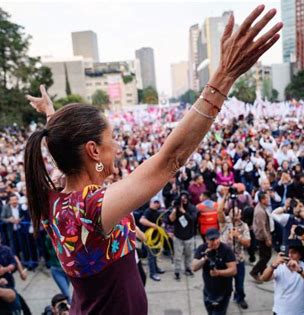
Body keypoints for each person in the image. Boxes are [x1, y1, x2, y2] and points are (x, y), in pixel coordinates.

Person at [24, 6, 282, 314]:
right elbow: (169, 159)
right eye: (111, 141)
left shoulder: (55, 193)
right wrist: (224, 77)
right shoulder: (93, 206)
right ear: (92, 151)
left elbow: (64, 147)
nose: (117, 147)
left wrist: (53, 117)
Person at [260, 240, 304, 315]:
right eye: (288, 252)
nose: (290, 255)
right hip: (281, 312)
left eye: (293, 252)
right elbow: (264, 278)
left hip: (301, 312)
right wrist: (273, 265)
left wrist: (299, 270)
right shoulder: (279, 267)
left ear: (300, 255)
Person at [192, 228, 237, 315]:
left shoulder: (226, 250)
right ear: (206, 239)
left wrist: (219, 273)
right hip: (208, 291)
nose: (215, 242)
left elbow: (233, 270)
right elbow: (194, 267)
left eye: (217, 238)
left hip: (223, 291)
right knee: (210, 312)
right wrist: (204, 258)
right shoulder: (202, 248)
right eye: (212, 240)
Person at [218, 201, 251, 309]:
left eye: (237, 213)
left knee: (239, 283)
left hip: (238, 259)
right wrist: (225, 196)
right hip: (225, 259)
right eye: (233, 213)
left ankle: (240, 298)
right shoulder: (225, 222)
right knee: (225, 284)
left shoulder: (244, 226)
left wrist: (238, 236)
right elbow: (219, 211)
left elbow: (248, 243)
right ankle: (223, 300)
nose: (235, 215)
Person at [168, 194, 197, 281]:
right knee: (177, 256)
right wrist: (175, 210)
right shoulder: (175, 208)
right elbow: (170, 221)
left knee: (189, 254)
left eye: (185, 198)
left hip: (189, 236)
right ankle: (177, 271)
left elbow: (193, 220)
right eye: (182, 199)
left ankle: (188, 268)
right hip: (178, 236)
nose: (183, 200)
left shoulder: (192, 208)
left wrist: (183, 211)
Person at [139, 199, 166, 281]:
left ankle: (156, 268)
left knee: (155, 254)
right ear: (150, 203)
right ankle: (152, 273)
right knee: (151, 256)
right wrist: (153, 225)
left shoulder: (157, 212)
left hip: (156, 237)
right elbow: (142, 220)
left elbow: (160, 223)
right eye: (155, 202)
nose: (156, 204)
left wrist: (162, 225)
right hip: (149, 238)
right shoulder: (148, 211)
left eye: (158, 202)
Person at [250, 192, 273, 282]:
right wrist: (267, 238)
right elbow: (262, 227)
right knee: (266, 256)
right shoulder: (260, 211)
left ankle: (264, 272)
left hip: (265, 234)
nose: (268, 200)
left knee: (263, 255)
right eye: (267, 198)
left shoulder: (263, 208)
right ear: (262, 200)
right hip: (263, 236)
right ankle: (255, 271)